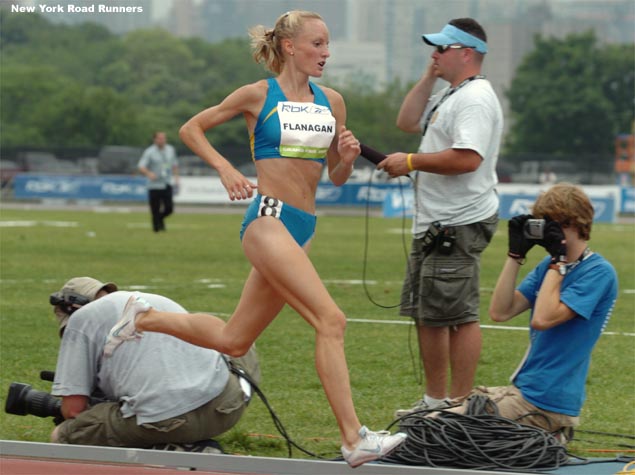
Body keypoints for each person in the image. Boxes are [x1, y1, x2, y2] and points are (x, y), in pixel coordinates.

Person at [103, 10, 406, 468]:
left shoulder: (333, 102)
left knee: (233, 340)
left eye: (328, 45)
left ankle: (142, 319)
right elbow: (192, 129)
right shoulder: (258, 94)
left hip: (302, 228)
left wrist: (344, 158)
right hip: (268, 220)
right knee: (332, 320)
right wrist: (226, 167)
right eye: (317, 44)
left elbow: (337, 178)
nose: (326, 53)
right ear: (290, 47)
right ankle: (354, 438)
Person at [377, 18, 503, 416]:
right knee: (427, 313)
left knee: (457, 315)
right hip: (437, 220)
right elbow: (406, 121)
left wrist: (411, 160)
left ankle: (459, 405)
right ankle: (435, 401)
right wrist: (429, 75)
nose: (433, 54)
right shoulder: (452, 93)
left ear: (466, 53)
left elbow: (468, 158)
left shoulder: (475, 98)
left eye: (441, 49)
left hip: (457, 220)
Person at [444, 183, 618, 442]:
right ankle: (543, 435)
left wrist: (557, 262)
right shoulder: (549, 267)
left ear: (572, 223)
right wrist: (515, 255)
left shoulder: (598, 272)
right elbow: (500, 311)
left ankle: (549, 433)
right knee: (438, 415)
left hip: (547, 403)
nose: (544, 230)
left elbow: (543, 319)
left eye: (551, 223)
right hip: (524, 393)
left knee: (440, 427)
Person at [49, 277, 260, 451]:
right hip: (227, 408)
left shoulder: (80, 320)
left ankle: (173, 448)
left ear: (69, 310)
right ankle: (190, 442)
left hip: (167, 423)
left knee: (63, 435)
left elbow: (74, 411)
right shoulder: (152, 300)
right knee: (240, 342)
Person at [138, 131, 180, 232]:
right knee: (155, 209)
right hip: (154, 185)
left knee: (169, 208)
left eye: (163, 138)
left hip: (166, 182)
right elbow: (141, 166)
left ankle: (159, 219)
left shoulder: (170, 150)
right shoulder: (149, 152)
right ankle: (156, 230)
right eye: (160, 138)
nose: (162, 140)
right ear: (155, 139)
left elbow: (174, 164)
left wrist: (176, 177)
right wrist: (149, 174)